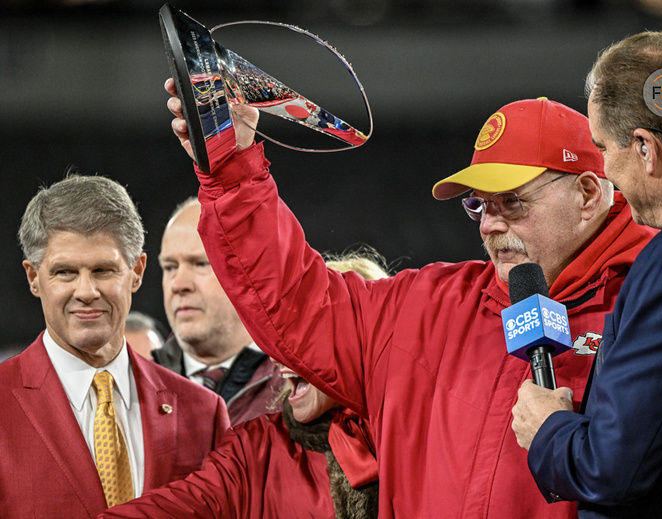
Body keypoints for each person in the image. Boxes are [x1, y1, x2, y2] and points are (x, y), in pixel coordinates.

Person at [164, 84, 657, 517]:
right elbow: (298, 301)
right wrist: (232, 167)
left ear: (589, 194)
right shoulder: (430, 305)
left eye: (513, 202)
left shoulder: (657, 303)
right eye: (479, 205)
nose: (490, 224)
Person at [511, 29, 662, 518]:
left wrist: (549, 430)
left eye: (603, 148)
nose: (607, 172)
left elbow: (610, 470)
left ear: (645, 147)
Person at [0, 174, 230, 518]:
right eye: (65, 272)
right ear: (34, 278)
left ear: (136, 271)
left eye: (103, 270)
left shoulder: (203, 414)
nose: (86, 291)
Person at [99, 253, 385, 519]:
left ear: (359, 342)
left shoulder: (418, 435)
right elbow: (175, 507)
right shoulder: (254, 450)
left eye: (305, 337)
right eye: (280, 336)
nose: (280, 354)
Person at [153, 197, 282, 425]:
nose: (178, 284)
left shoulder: (298, 389)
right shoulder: (137, 385)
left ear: (249, 271)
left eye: (201, 264)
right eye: (170, 267)